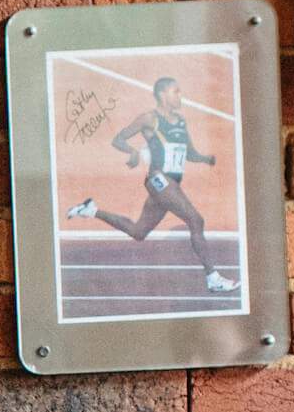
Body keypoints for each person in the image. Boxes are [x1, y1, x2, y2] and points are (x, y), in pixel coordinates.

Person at [66, 76, 236, 293]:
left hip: (170, 183)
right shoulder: (149, 119)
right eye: (176, 91)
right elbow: (118, 139)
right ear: (163, 94)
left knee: (138, 232)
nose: (180, 95)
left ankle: (91, 210)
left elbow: (189, 152)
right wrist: (133, 152)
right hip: (158, 179)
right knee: (196, 220)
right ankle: (213, 277)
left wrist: (204, 158)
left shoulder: (181, 121)